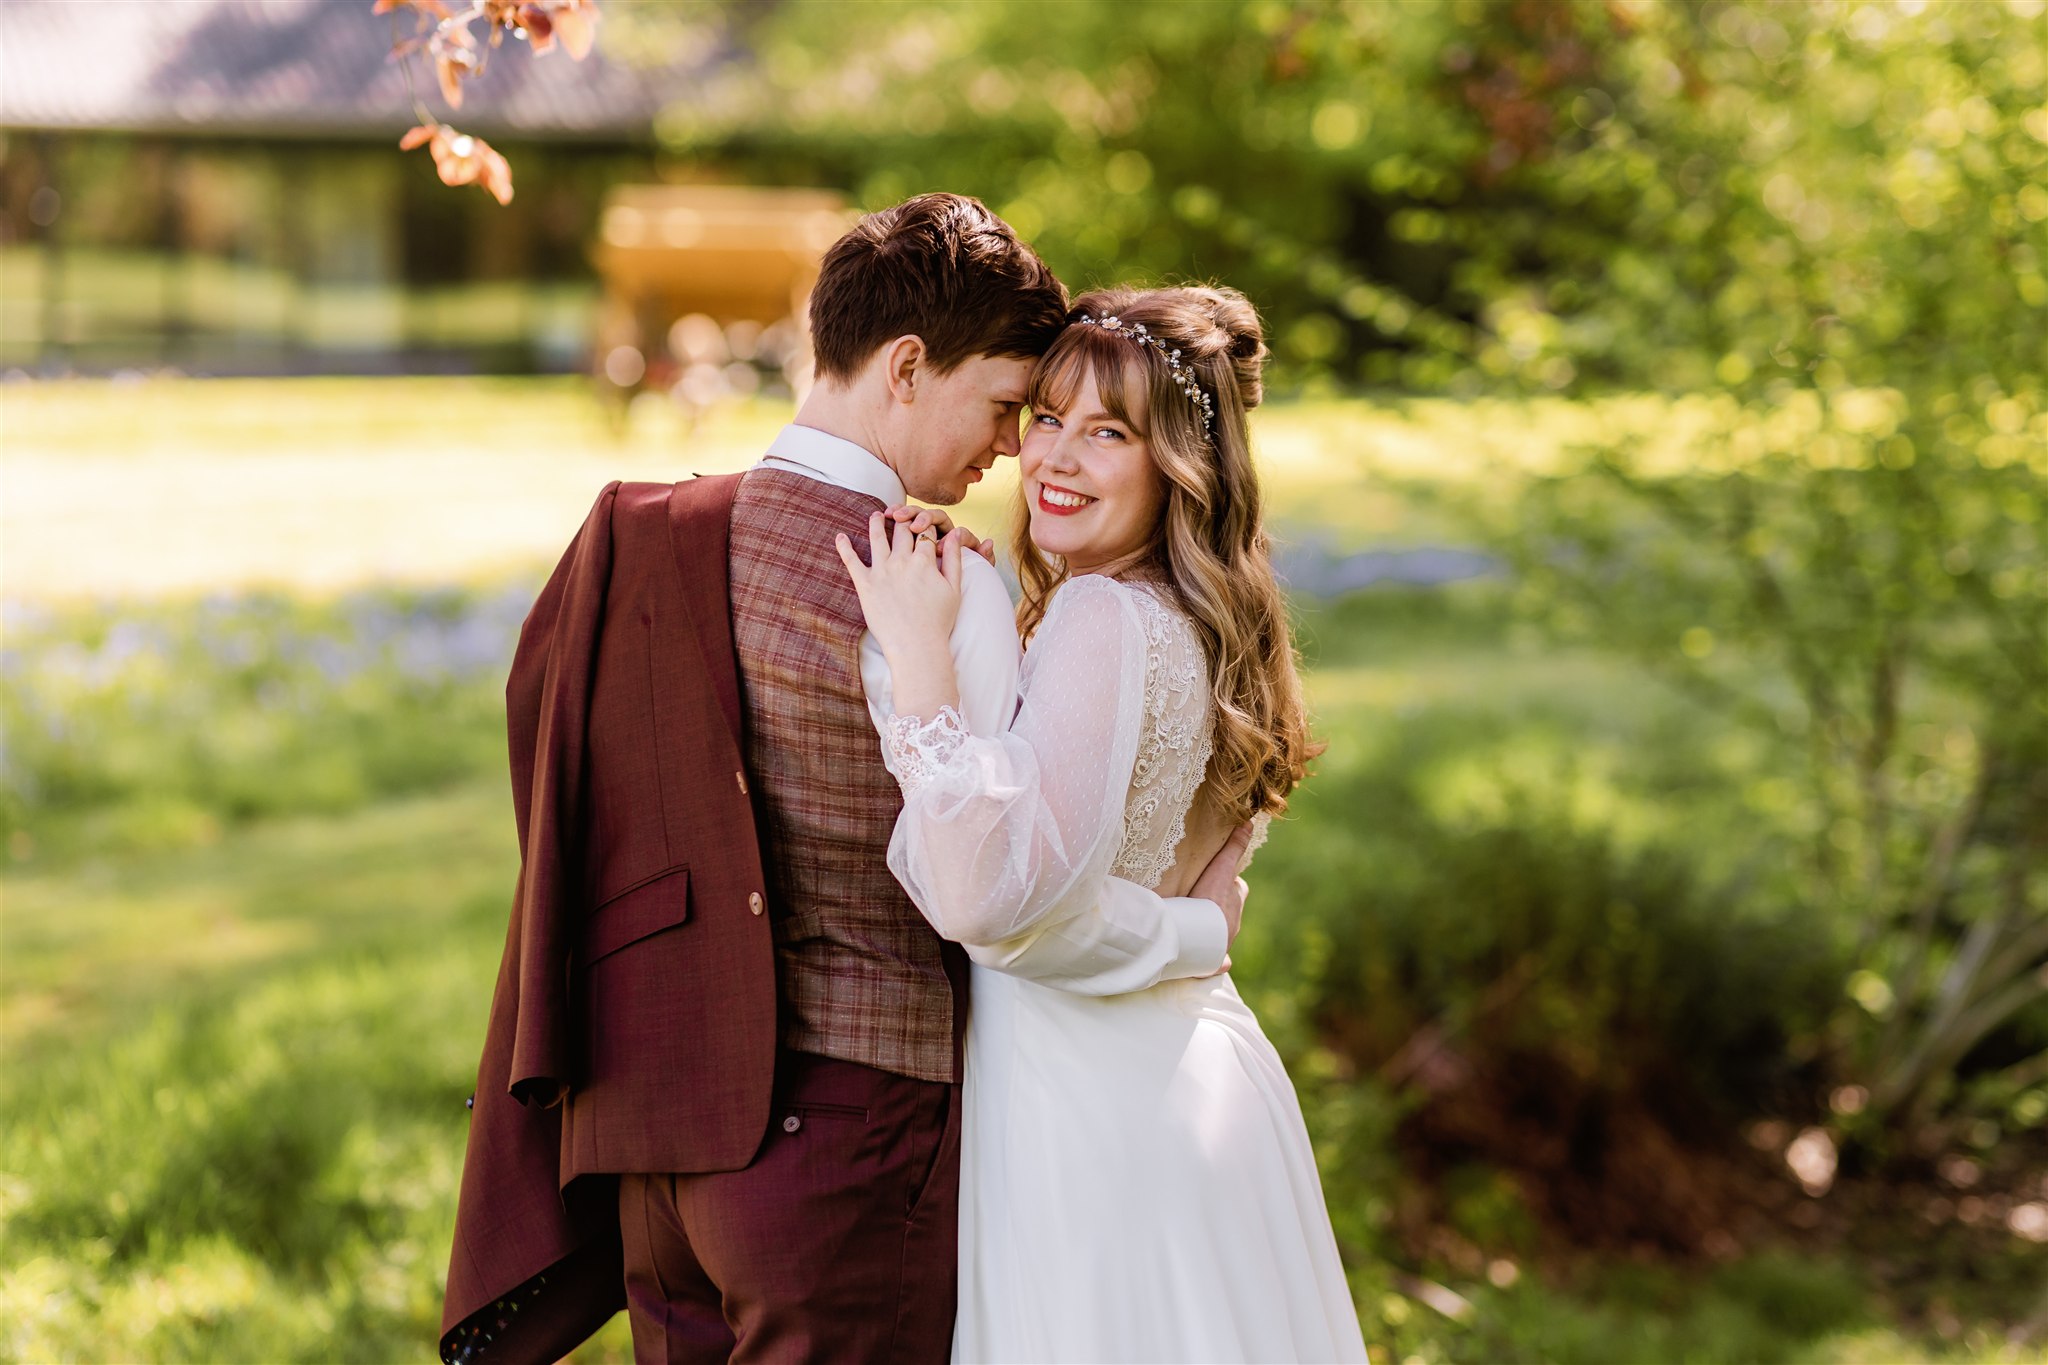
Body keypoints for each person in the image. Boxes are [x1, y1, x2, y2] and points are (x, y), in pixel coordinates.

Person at [440, 196, 1254, 1365]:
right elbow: (1012, 880)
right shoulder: (936, 581)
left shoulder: (627, 538)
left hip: (647, 1138)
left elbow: (563, 792)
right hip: (854, 1142)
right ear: (909, 367)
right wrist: (1188, 921)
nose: (1015, 449)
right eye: (1004, 405)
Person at [839, 285, 1369, 1362]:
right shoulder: (1217, 624)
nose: (1054, 459)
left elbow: (994, 906)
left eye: (1107, 433)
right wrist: (1197, 934)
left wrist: (925, 658)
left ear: (1180, 461)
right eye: (1045, 419)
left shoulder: (1102, 616)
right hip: (1197, 1079)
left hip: (1084, 1115)